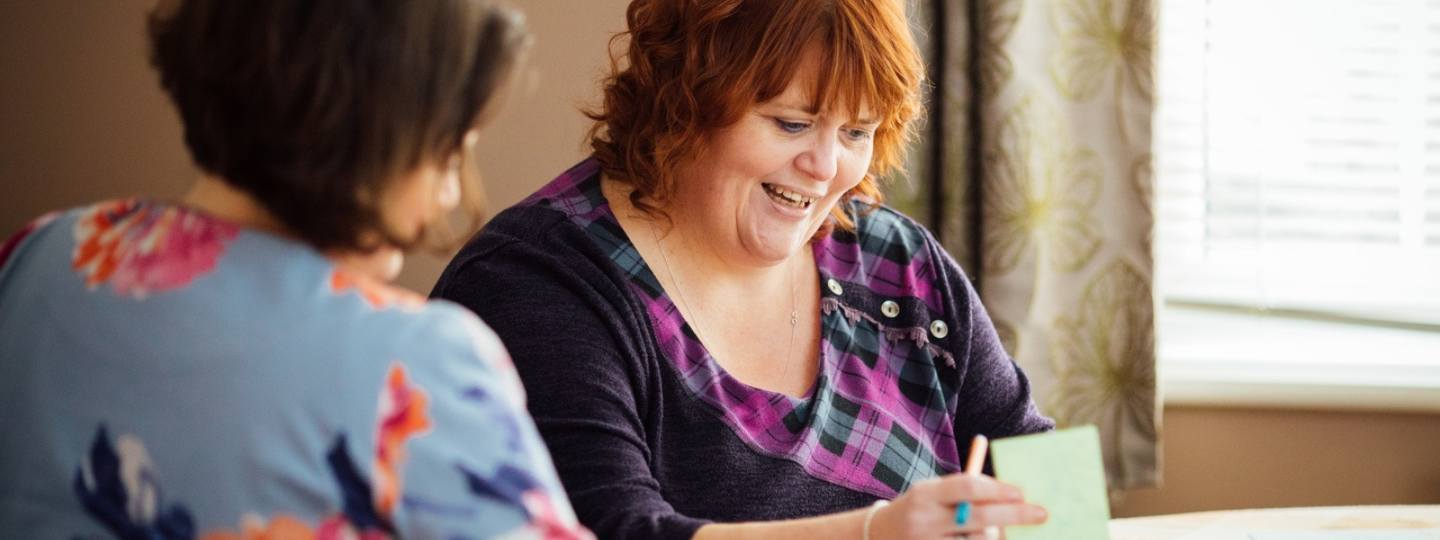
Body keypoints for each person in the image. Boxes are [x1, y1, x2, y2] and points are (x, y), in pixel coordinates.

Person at [431, 0, 1054, 538]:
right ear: (686, 101)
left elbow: (1038, 467)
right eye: (792, 122)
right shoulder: (538, 282)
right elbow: (614, 530)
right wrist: (871, 533)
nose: (827, 166)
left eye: (857, 131)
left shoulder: (898, 267)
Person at [0, 1, 592, 538]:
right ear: (374, 120)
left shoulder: (40, 257)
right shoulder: (418, 365)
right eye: (448, 144)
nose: (452, 194)